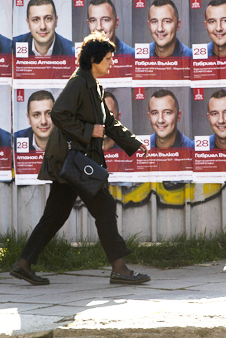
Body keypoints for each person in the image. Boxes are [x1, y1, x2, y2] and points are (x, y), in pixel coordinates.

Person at [11, 31, 150, 286]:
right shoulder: (78, 82)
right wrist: (89, 131)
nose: (112, 62)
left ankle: (23, 264)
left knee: (55, 215)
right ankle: (120, 269)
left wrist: (133, 142)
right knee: (105, 208)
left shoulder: (94, 85)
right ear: (94, 60)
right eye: (108, 58)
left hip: (73, 164)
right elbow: (58, 113)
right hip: (72, 163)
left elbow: (109, 122)